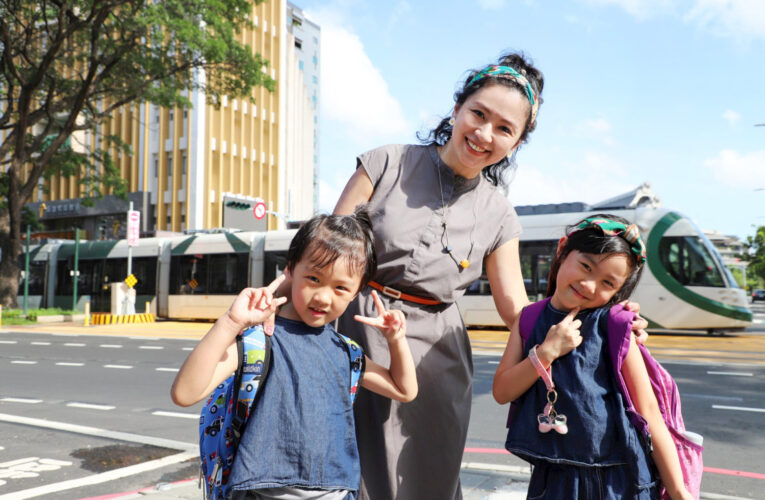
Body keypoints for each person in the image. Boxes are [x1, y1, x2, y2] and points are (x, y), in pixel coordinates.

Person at [330, 51, 649, 499]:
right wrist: (268, 310)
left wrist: (607, 316)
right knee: (337, 471)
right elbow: (324, 253)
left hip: (435, 368)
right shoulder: (384, 164)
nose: (484, 134)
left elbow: (518, 311)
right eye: (478, 114)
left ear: (516, 143)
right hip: (350, 339)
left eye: (504, 129)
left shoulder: (500, 214)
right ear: (457, 107)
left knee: (422, 482)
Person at [170, 210, 418, 500]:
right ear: (290, 269)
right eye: (313, 278)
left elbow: (404, 390)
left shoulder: (346, 352)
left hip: (335, 493)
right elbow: (185, 393)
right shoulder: (258, 341)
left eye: (341, 288)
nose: (324, 297)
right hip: (263, 492)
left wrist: (396, 340)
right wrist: (231, 322)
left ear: (356, 292)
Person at [492, 215, 693, 500]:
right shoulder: (529, 319)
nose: (589, 285)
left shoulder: (614, 323)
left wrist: (677, 489)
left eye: (607, 283)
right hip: (554, 478)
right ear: (562, 250)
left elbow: (648, 411)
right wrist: (546, 352)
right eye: (586, 266)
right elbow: (502, 391)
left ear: (618, 291)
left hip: (620, 478)